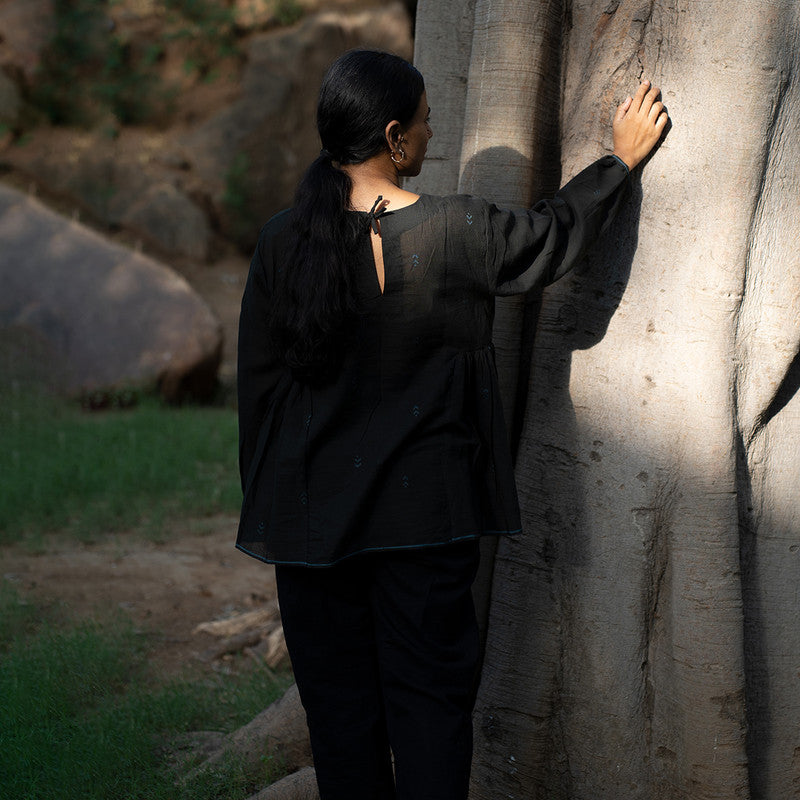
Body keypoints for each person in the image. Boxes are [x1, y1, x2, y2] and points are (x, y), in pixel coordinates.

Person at [237, 49, 668, 800]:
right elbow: (552, 237)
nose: (435, 134)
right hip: (427, 524)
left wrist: (278, 512)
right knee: (431, 716)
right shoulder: (461, 229)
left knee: (341, 724)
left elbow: (260, 393)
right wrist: (621, 162)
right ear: (395, 136)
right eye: (429, 122)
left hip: (312, 528)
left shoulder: (283, 240)